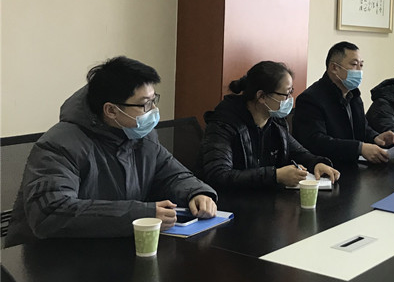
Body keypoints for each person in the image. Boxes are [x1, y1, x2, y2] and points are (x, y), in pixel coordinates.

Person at [5, 57, 217, 247]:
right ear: (111, 110)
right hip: (50, 260)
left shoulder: (142, 137)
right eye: (145, 104)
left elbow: (172, 174)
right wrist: (140, 215)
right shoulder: (58, 146)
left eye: (154, 100)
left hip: (110, 248)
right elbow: (51, 213)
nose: (153, 111)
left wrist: (197, 192)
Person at [201, 61, 340, 190]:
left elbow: (299, 152)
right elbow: (218, 175)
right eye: (286, 94)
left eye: (291, 92)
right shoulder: (223, 124)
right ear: (261, 96)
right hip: (231, 203)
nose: (289, 100)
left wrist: (316, 163)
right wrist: (275, 176)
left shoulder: (275, 122)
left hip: (264, 199)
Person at [293, 42, 394, 164]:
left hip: (353, 164)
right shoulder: (310, 99)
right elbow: (316, 141)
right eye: (354, 64)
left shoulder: (354, 95)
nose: (359, 70)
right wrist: (359, 148)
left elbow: (362, 128)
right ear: (334, 68)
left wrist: (376, 137)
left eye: (361, 65)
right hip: (327, 166)